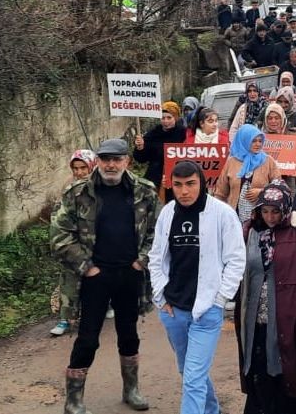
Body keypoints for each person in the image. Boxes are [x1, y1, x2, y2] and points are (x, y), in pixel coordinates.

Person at [52, 138, 160, 414]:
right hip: (93, 276)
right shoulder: (78, 193)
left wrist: (142, 260)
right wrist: (86, 267)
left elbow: (157, 233)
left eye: (117, 159)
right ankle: (73, 400)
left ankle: (131, 390)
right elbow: (60, 236)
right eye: (106, 159)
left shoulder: (144, 192)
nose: (111, 164)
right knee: (88, 337)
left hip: (129, 274)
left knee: (129, 334)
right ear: (97, 160)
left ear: (127, 161)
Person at [149, 161, 246, 414]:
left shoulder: (223, 214)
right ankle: (212, 409)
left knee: (192, 377)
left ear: (202, 183)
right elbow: (157, 257)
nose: (184, 191)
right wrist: (160, 296)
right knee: (189, 371)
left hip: (207, 309)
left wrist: (220, 299)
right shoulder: (168, 212)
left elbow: (236, 259)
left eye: (190, 184)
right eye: (178, 185)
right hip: (173, 310)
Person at [236, 181, 296, 414]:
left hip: (288, 316)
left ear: (286, 210)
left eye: (276, 211)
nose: (270, 217)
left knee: (288, 373)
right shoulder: (250, 230)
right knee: (258, 373)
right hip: (254, 319)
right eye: (265, 210)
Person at [51, 149, 98, 337]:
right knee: (69, 280)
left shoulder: (100, 189)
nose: (79, 172)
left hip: (95, 243)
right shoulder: (68, 190)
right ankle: (65, 319)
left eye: (83, 168)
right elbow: (58, 218)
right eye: (75, 168)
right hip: (73, 243)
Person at [215, 124, 283, 223]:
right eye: (254, 141)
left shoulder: (268, 161)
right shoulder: (231, 162)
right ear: (244, 141)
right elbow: (221, 193)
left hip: (262, 219)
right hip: (234, 218)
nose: (258, 144)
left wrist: (262, 192)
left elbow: (279, 187)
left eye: (260, 141)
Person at [134, 101, 188, 190]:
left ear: (175, 118)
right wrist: (141, 148)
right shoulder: (153, 134)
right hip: (155, 179)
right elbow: (141, 159)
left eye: (169, 118)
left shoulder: (183, 133)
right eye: (163, 118)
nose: (165, 121)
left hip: (178, 178)